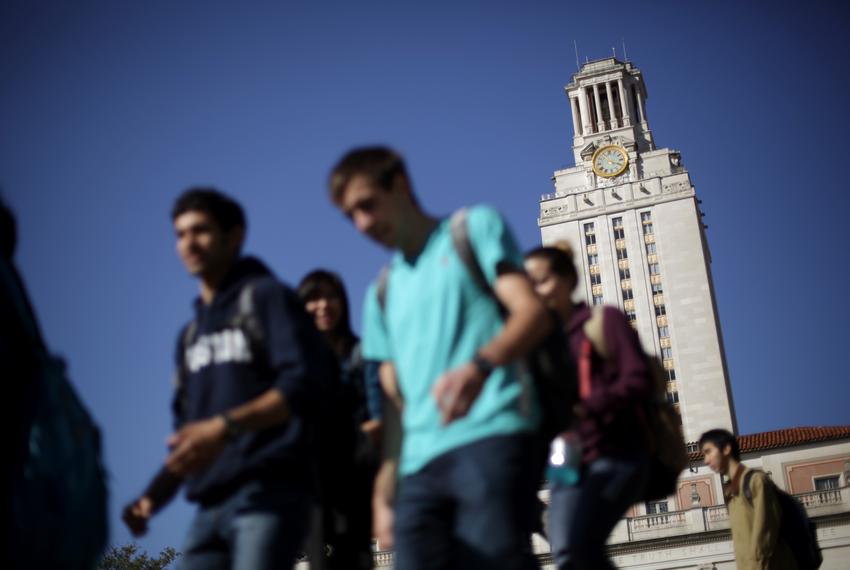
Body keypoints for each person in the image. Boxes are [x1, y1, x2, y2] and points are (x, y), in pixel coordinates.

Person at [329, 146, 550, 569]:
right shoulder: (381, 292)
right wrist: (384, 490)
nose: (361, 224)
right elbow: (393, 402)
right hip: (418, 466)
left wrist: (480, 365)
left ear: (400, 185)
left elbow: (532, 312)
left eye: (367, 205)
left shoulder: (473, 228)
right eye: (350, 215)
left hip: (491, 435)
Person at [123, 188, 330, 570]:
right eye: (180, 234)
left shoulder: (267, 297)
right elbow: (190, 438)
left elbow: (302, 386)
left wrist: (224, 427)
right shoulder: (189, 336)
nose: (189, 244)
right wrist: (153, 497)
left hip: (269, 492)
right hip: (207, 507)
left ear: (234, 236)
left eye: (200, 231)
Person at [523, 242, 653, 570]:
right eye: (529, 285)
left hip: (615, 452)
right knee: (566, 551)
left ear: (569, 279)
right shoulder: (538, 345)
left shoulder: (603, 321)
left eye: (543, 280)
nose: (536, 292)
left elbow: (638, 379)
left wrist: (587, 406)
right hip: (566, 461)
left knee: (580, 545)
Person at [297, 269, 381, 570]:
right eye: (314, 298)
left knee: (357, 555)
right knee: (318, 557)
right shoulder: (294, 363)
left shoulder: (360, 353)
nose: (323, 305)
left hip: (355, 472)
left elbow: (376, 409)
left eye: (331, 297)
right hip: (314, 478)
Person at [700, 429, 796, 570]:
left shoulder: (756, 481)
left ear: (726, 449)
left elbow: (766, 531)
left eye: (708, 452)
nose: (706, 460)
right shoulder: (730, 492)